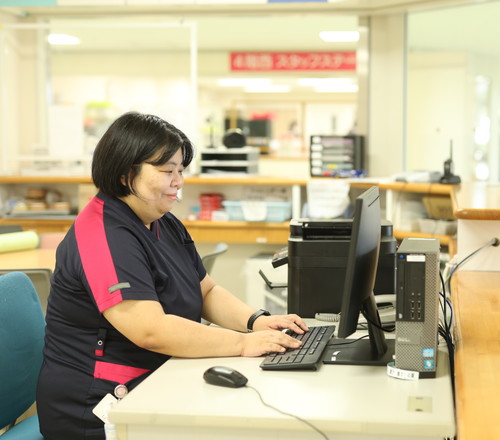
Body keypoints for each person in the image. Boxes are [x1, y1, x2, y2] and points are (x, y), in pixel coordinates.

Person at [36, 112, 308, 440]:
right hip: (100, 404)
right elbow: (151, 330)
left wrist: (256, 322)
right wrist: (241, 343)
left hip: (158, 377)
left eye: (180, 170)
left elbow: (205, 289)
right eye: (167, 171)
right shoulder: (103, 234)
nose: (178, 181)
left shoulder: (160, 219)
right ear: (125, 174)